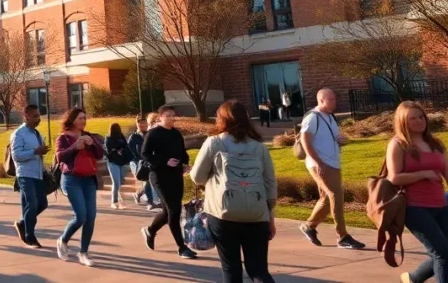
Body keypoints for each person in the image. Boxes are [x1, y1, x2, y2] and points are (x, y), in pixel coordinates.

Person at [190, 99, 278, 283]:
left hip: (223, 215)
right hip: (256, 213)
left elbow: (197, 177)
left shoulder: (213, 143)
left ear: (221, 119)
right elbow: (270, 184)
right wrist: (270, 217)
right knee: (259, 270)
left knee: (231, 268)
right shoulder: (259, 147)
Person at [386, 101, 448, 283]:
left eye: (421, 117)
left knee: (441, 252)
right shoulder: (398, 144)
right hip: (414, 208)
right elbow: (393, 178)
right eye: (413, 118)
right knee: (443, 254)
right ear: (403, 122)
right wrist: (423, 174)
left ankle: (413, 278)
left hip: (440, 206)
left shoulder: (435, 143)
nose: (419, 121)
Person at [298, 88, 365, 250]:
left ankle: (309, 226)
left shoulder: (330, 117)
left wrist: (343, 140)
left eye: (334, 98)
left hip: (333, 163)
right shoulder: (312, 118)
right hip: (320, 164)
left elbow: (333, 138)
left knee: (327, 200)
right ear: (321, 100)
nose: (335, 102)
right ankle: (342, 236)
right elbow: (305, 141)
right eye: (331, 99)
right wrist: (318, 162)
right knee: (336, 195)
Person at [140, 105, 197, 259]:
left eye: (173, 115)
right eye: (168, 115)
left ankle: (150, 230)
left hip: (176, 174)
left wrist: (185, 164)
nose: (172, 118)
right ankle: (181, 247)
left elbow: (182, 152)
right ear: (161, 117)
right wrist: (164, 161)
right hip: (159, 176)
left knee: (168, 212)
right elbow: (145, 155)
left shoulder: (177, 134)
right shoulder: (153, 134)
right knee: (174, 210)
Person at [54, 108, 103, 267]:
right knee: (81, 215)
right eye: (81, 118)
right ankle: (63, 240)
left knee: (91, 217)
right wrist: (75, 147)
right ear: (73, 119)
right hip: (71, 179)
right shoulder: (64, 138)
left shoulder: (88, 135)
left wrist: (92, 145)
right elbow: (60, 157)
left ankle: (83, 252)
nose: (84, 120)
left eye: (85, 118)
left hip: (88, 180)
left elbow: (100, 154)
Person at [11, 104, 50, 249]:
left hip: (38, 173)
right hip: (25, 174)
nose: (38, 118)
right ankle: (30, 236)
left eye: (39, 115)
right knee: (31, 204)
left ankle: (22, 223)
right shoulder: (18, 134)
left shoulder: (36, 133)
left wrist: (42, 151)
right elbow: (16, 155)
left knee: (42, 203)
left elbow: (37, 152)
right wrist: (35, 151)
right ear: (26, 117)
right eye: (35, 116)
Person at [128, 114, 158, 209]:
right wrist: (138, 159)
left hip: (146, 161)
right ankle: (150, 201)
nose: (143, 125)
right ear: (137, 124)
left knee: (148, 180)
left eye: (144, 123)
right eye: (140, 123)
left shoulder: (149, 135)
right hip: (136, 162)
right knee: (146, 180)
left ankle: (140, 195)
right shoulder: (133, 137)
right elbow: (130, 150)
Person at [105, 122, 135, 210]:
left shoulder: (121, 137)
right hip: (113, 162)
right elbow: (109, 149)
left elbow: (126, 146)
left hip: (122, 162)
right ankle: (114, 201)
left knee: (120, 182)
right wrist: (117, 150)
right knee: (116, 182)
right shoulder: (109, 138)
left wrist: (122, 150)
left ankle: (120, 200)